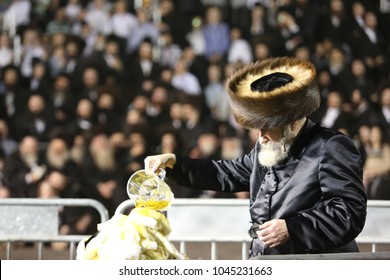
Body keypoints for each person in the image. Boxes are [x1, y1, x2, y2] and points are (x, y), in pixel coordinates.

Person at [144, 57, 367, 257]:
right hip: (268, 263)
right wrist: (174, 163)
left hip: (315, 268)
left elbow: (348, 212)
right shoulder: (269, 148)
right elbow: (225, 174)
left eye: (266, 128)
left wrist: (293, 228)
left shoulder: (332, 146)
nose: (260, 139)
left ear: (292, 122)